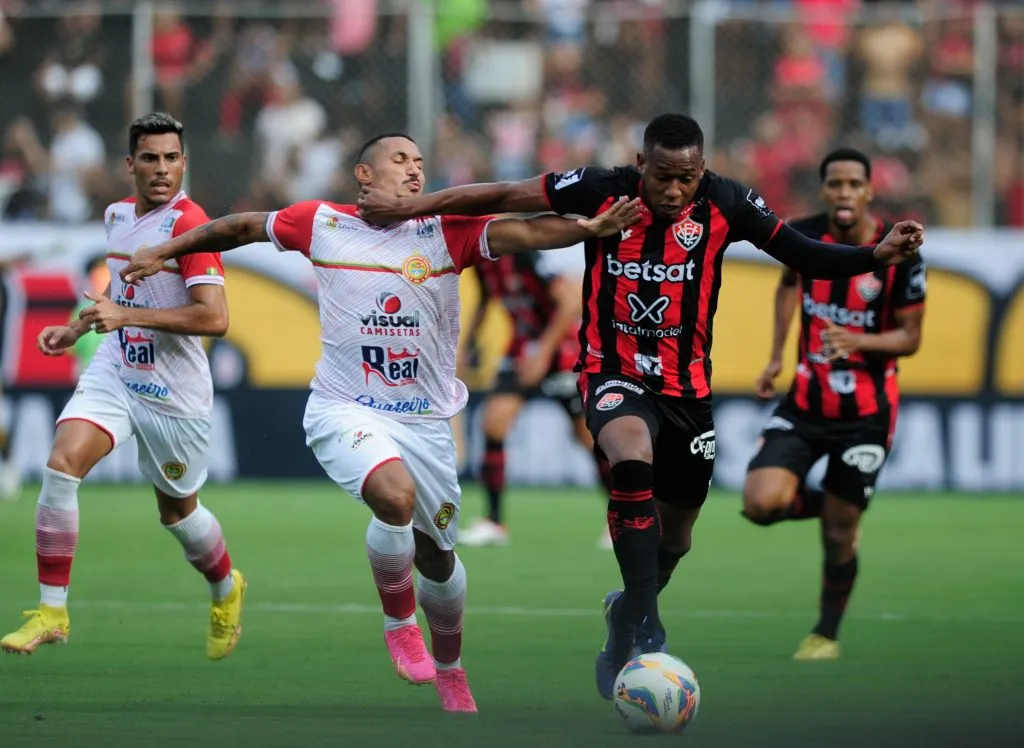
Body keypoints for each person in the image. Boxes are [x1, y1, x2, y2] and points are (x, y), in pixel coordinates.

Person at [355, 113, 925, 700]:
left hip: (688, 392)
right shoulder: (602, 188)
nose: (674, 191)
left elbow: (804, 254)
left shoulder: (727, 201)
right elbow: (504, 194)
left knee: (674, 541)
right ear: (640, 165)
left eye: (686, 178)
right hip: (613, 372)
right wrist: (409, 208)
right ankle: (649, 627)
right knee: (630, 457)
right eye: (662, 177)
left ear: (701, 171)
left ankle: (626, 614)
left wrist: (876, 256)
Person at [119, 132, 640, 712]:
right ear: (364, 174)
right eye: (400, 160)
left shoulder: (444, 230)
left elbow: (527, 232)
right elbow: (240, 227)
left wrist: (588, 229)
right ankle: (399, 624)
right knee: (393, 496)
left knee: (438, 558)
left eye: (419, 161)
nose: (415, 169)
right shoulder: (321, 222)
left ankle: (451, 668)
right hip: (345, 408)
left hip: (425, 422)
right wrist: (166, 250)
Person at [0, 113, 246, 661]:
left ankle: (225, 587)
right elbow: (121, 293)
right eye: (150, 158)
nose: (162, 169)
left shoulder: (191, 227)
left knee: (178, 514)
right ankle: (52, 612)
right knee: (62, 465)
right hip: (117, 368)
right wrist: (79, 327)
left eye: (172, 158)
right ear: (130, 164)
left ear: (184, 163)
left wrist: (127, 319)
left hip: (174, 391)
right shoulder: (116, 216)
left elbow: (215, 318)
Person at [742, 148, 926, 660]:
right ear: (823, 190)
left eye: (853, 184)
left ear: (869, 191)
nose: (844, 193)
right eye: (835, 184)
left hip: (866, 415)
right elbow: (787, 284)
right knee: (760, 504)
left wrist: (858, 341)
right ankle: (843, 506)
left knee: (838, 536)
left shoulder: (899, 249)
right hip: (805, 403)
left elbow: (910, 338)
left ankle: (825, 633)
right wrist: (776, 355)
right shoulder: (801, 235)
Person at [461, 245, 615, 549]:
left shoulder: (526, 254)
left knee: (588, 438)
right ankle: (494, 522)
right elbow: (485, 298)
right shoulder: (481, 258)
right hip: (520, 349)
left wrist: (543, 354)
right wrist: (468, 344)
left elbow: (570, 303)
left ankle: (623, 518)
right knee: (493, 423)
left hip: (560, 351)